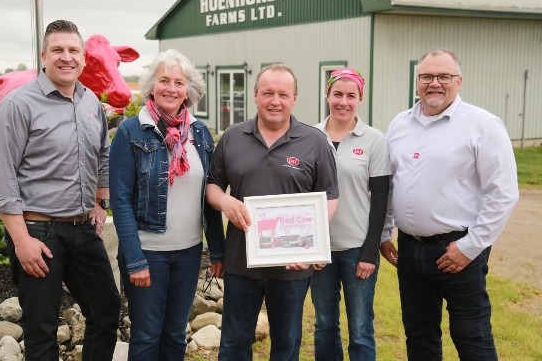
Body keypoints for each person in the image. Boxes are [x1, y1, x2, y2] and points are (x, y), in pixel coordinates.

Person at [0, 20, 120, 361]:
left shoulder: (91, 102)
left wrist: (101, 202)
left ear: (83, 58)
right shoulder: (18, 105)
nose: (67, 57)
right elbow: (2, 179)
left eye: (73, 50)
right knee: (41, 330)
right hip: (38, 232)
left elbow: (102, 155)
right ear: (44, 56)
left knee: (106, 311)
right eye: (58, 50)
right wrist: (21, 241)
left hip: (82, 228)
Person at [380, 49, 519, 360]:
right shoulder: (400, 124)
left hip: (457, 251)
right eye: (427, 76)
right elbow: (391, 184)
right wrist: (384, 232)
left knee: (471, 336)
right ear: (417, 82)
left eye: (444, 76)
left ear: (459, 81)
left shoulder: (482, 124)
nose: (435, 83)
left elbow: (504, 192)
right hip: (410, 251)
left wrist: (471, 247)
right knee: (419, 337)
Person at [206, 64, 339, 361]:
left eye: (283, 94)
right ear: (255, 96)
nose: (275, 100)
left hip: (291, 265)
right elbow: (212, 187)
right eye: (268, 93)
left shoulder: (314, 142)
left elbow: (330, 199)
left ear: (294, 99)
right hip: (242, 262)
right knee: (233, 345)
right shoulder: (232, 136)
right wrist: (226, 203)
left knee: (286, 345)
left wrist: (310, 243)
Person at [109, 49, 225, 361]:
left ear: (189, 89)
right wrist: (134, 259)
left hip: (188, 253)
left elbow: (209, 193)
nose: (171, 88)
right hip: (147, 253)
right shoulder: (131, 131)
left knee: (175, 335)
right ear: (151, 85)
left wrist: (217, 250)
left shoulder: (199, 132)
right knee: (147, 336)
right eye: (164, 80)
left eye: (179, 82)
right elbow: (119, 201)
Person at [311, 68, 390, 360]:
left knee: (360, 328)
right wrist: (312, 248)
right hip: (321, 253)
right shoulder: (311, 136)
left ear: (360, 99)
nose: (343, 102)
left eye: (351, 96)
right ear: (327, 96)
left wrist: (370, 252)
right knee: (324, 325)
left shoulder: (374, 139)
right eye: (337, 94)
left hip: (358, 250)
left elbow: (381, 200)